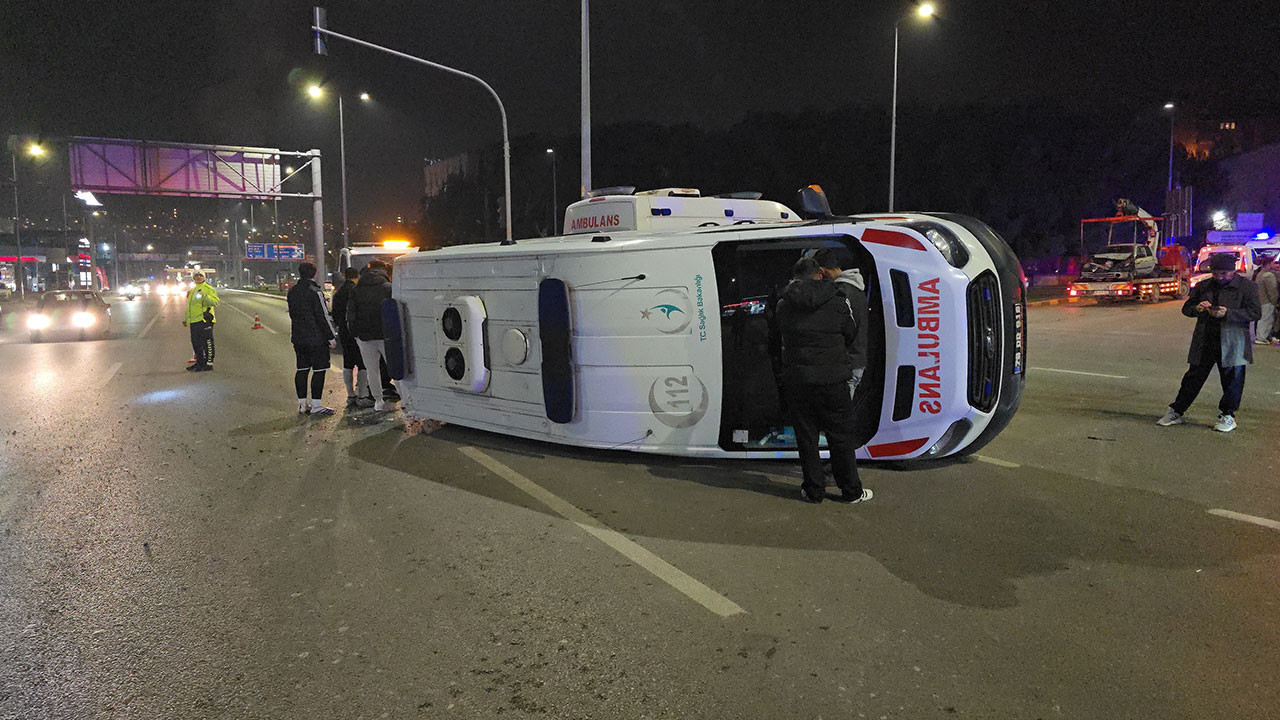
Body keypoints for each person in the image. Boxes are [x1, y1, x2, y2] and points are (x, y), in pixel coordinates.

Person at [776, 256, 872, 504]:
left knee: (806, 438)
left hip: (798, 380)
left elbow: (778, 336)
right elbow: (850, 333)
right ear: (819, 273)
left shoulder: (784, 304)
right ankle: (851, 491)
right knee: (840, 437)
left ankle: (813, 490)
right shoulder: (838, 301)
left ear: (796, 277)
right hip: (833, 381)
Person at [1157, 252, 1262, 432]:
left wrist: (1228, 313)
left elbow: (1255, 313)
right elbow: (1187, 308)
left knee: (1232, 380)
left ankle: (1227, 415)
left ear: (1233, 271)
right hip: (1205, 338)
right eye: (1215, 273)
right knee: (1193, 377)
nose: (1219, 277)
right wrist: (1197, 308)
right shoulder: (1203, 286)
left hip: (1233, 341)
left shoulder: (1247, 287)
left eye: (1224, 274)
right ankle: (1176, 410)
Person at [813, 247, 869, 397]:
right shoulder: (857, 289)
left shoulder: (841, 293)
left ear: (822, 271)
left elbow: (841, 328)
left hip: (848, 362)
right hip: (857, 358)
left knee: (839, 413)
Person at [288, 262, 339, 415]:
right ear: (314, 274)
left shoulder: (292, 291)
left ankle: (302, 405)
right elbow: (323, 316)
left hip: (298, 337)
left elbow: (293, 313)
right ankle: (317, 406)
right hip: (316, 339)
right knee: (319, 370)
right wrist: (331, 337)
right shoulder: (315, 292)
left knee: (302, 370)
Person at [346, 260, 395, 412]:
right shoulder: (388, 287)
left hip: (364, 337)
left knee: (372, 370)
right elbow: (394, 310)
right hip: (386, 335)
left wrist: (355, 334)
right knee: (395, 367)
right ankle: (406, 400)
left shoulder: (357, 289)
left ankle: (378, 402)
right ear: (383, 271)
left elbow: (350, 314)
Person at [330, 266, 372, 408]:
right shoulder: (357, 291)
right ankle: (362, 395)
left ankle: (350, 395)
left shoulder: (338, 293)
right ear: (357, 276)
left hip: (343, 332)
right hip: (357, 331)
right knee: (362, 363)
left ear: (344, 276)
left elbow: (334, 315)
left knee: (348, 363)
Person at [183, 272, 219, 372]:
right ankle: (200, 363)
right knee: (196, 344)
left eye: (201, 276)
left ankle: (209, 363)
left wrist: (204, 296)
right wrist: (186, 319)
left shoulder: (208, 289)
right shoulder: (192, 290)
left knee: (207, 343)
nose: (198, 277)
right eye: (196, 276)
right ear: (193, 278)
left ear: (204, 277)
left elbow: (215, 302)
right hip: (194, 321)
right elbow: (190, 307)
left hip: (204, 320)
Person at [1251, 256, 1278, 344]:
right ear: (1269, 264)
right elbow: (1272, 290)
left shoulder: (1260, 273)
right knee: (1266, 319)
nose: (1276, 265)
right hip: (1266, 301)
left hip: (1261, 300)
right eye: (1274, 263)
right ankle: (1261, 337)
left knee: (1265, 319)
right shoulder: (1268, 275)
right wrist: (1274, 301)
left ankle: (1265, 336)